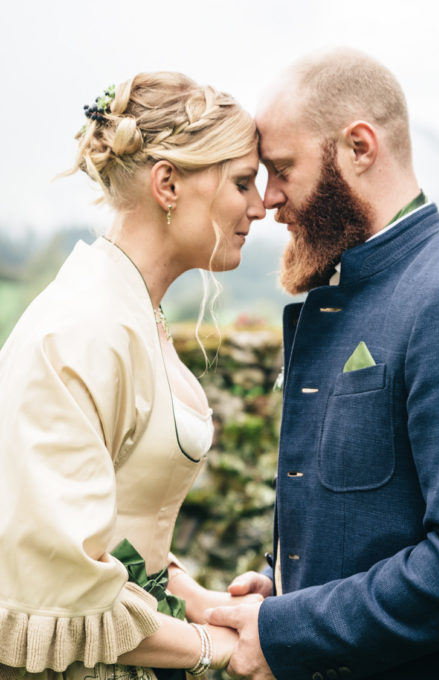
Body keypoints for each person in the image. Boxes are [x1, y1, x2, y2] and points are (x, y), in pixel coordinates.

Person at [206, 48, 439, 680]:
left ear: (360, 147)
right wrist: (280, 588)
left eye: (282, 169)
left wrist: (290, 631)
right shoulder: (345, 293)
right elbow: (363, 517)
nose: (269, 201)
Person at [0, 72, 267, 679]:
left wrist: (201, 601)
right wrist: (216, 648)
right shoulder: (83, 329)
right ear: (168, 183)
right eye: (243, 183)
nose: (260, 207)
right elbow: (62, 584)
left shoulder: (131, 311)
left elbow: (112, 517)